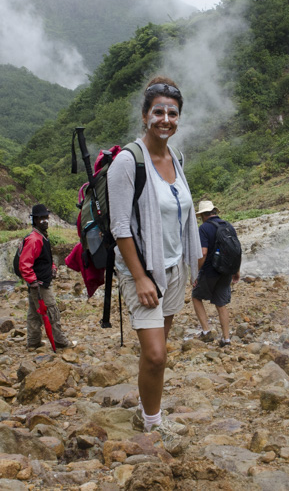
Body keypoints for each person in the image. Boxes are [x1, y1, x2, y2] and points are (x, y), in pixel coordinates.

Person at [108, 77, 201, 447]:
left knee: (158, 351)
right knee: (157, 354)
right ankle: (152, 423)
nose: (166, 118)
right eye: (158, 111)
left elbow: (180, 210)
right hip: (143, 270)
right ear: (145, 115)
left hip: (174, 266)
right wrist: (140, 276)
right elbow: (119, 226)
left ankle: (149, 412)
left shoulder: (176, 158)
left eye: (172, 113)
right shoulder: (127, 162)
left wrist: (194, 251)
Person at [19, 204, 72, 350]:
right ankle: (60, 342)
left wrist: (53, 269)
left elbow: (46, 259)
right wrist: (32, 281)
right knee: (51, 311)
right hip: (40, 284)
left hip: (39, 281)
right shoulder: (34, 239)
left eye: (46, 218)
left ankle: (33, 342)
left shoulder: (41, 236)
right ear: (34, 220)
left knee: (34, 314)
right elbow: (24, 263)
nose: (44, 221)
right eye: (41, 218)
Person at [191, 200, 240, 347]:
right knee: (221, 303)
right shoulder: (228, 226)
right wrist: (236, 271)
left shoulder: (204, 228)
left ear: (202, 215)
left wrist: (196, 273)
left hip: (210, 271)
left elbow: (203, 253)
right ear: (214, 212)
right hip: (226, 271)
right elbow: (235, 250)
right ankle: (226, 339)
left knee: (196, 296)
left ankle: (206, 331)